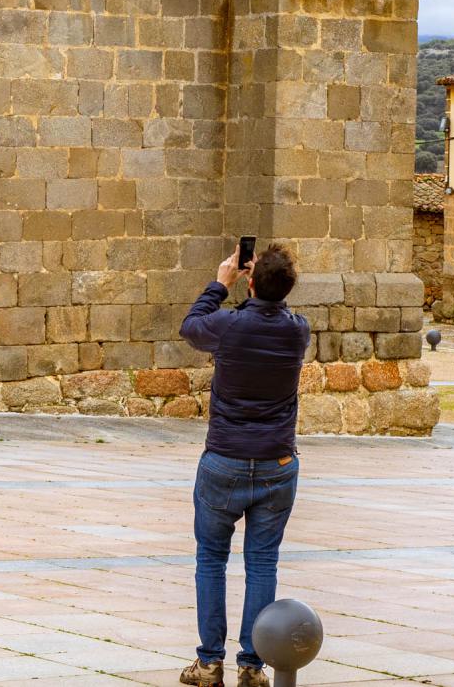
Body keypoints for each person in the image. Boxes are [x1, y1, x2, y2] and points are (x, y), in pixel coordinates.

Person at [178, 242, 310, 687]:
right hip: (277, 462)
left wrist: (221, 282)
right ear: (288, 287)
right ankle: (252, 666)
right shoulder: (298, 331)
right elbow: (273, 310)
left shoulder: (228, 327)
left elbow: (191, 327)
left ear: (250, 281)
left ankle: (209, 662)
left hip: (224, 460)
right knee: (262, 563)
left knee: (211, 559)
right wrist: (259, 286)